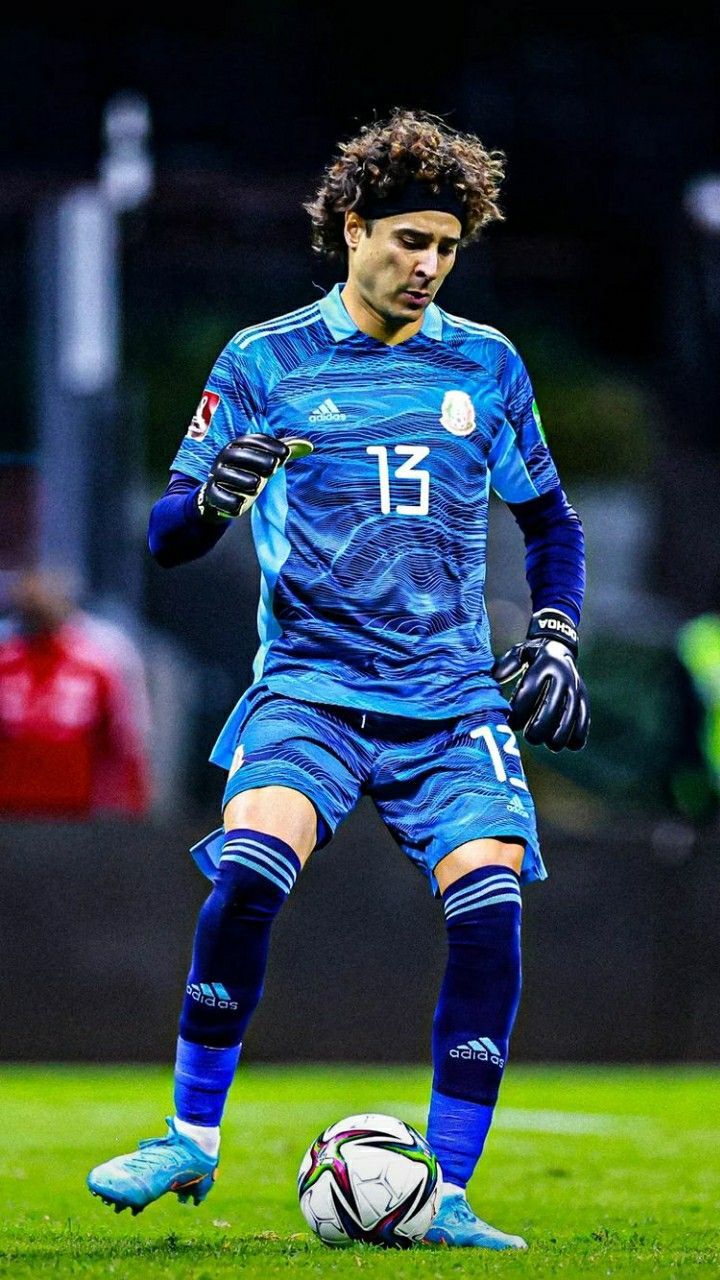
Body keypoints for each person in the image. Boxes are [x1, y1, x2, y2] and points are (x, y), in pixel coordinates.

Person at [87, 108, 589, 1250]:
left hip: (452, 699)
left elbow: (552, 521)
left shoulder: (487, 363)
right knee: (249, 872)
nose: (429, 265)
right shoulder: (264, 361)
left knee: (491, 908)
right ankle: (189, 1134)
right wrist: (216, 497)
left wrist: (556, 633)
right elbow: (167, 533)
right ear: (354, 227)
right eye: (410, 240)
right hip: (309, 689)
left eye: (447, 247)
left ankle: (446, 1191)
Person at [0, 569, 151, 818]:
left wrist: (130, 804)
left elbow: (124, 741)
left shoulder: (99, 659)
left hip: (73, 809)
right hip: (9, 808)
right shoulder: (6, 659)